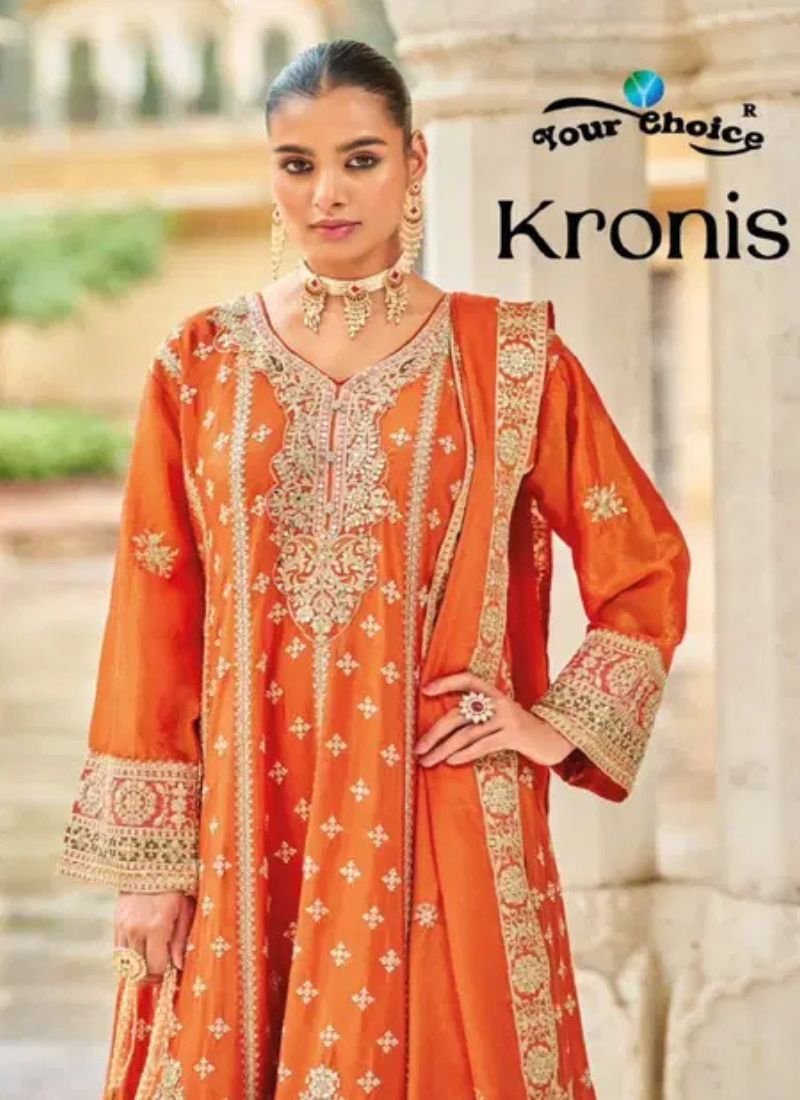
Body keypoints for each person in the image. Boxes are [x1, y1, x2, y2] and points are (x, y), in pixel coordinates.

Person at [57, 37, 690, 1100]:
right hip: (243, 817)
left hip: (437, 796)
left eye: (360, 159)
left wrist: (553, 724)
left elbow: (644, 561)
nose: (328, 193)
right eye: (296, 163)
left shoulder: (508, 358)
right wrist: (148, 866)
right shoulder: (200, 363)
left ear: (415, 160)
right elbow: (151, 610)